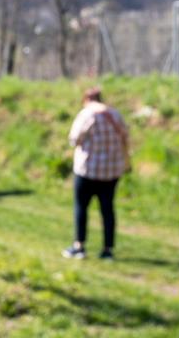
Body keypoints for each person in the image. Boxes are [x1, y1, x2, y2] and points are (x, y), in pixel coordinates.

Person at [63, 86, 129, 260]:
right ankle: (107, 249)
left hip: (88, 170)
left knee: (81, 207)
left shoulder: (86, 115)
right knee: (107, 209)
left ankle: (79, 246)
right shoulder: (115, 114)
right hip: (111, 171)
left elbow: (74, 139)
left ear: (86, 99)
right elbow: (125, 136)